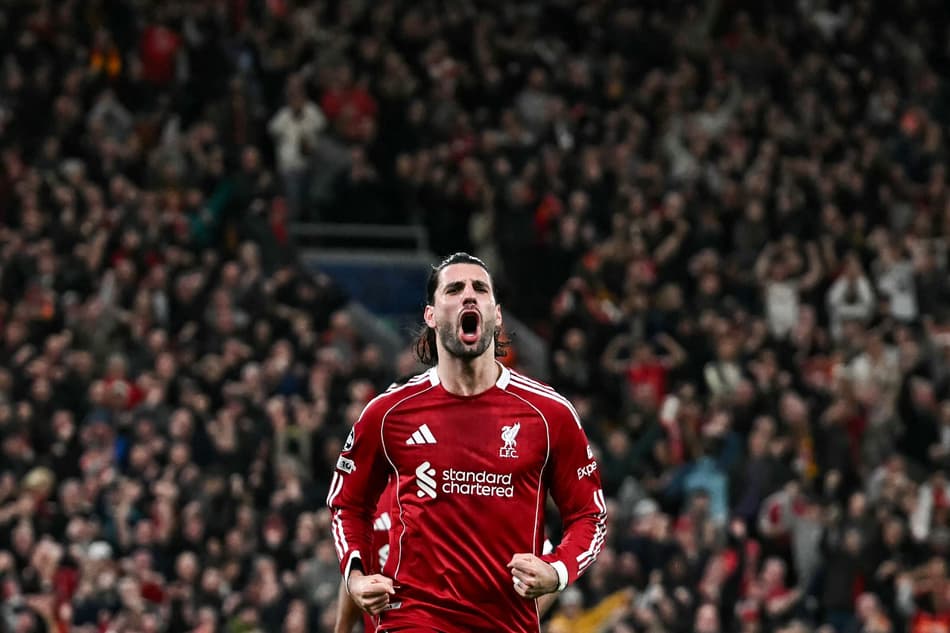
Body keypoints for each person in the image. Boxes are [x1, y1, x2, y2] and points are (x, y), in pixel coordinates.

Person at [327, 252, 607, 632]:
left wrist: (556, 571)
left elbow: (589, 515)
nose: (469, 296)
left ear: (497, 314)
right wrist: (356, 577)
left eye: (480, 289)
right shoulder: (388, 413)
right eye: (455, 289)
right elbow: (347, 503)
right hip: (412, 619)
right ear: (430, 315)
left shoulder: (548, 414)